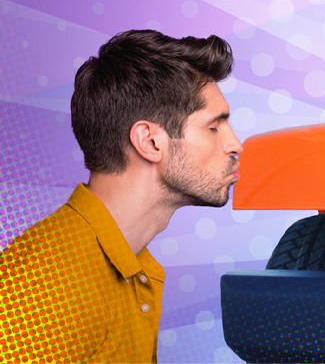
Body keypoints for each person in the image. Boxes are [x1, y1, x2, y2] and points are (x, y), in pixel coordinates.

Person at [0, 30, 241, 362]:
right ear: (150, 141)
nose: (235, 145)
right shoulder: (45, 285)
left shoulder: (133, 266)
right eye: (214, 127)